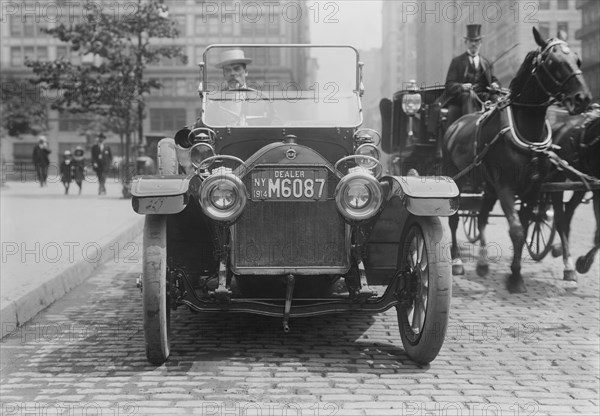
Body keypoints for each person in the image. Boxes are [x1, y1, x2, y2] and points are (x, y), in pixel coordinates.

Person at [444, 24, 501, 127]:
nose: (474, 44)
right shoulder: (457, 62)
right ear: (466, 42)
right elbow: (449, 84)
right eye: (471, 41)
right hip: (463, 97)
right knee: (468, 96)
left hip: (482, 95)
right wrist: (462, 86)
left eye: (477, 41)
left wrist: (495, 85)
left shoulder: (486, 63)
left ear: (481, 43)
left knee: (496, 98)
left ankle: (497, 128)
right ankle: (470, 127)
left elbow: (494, 80)